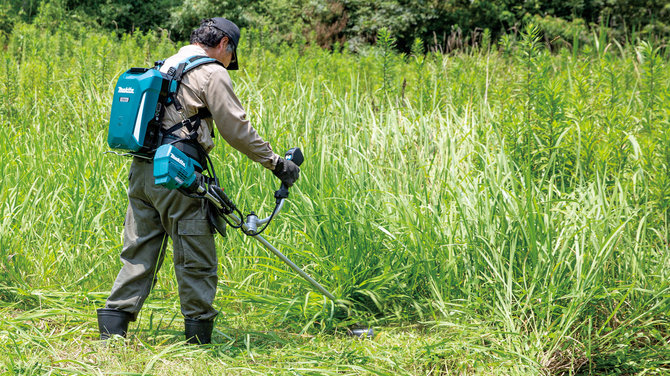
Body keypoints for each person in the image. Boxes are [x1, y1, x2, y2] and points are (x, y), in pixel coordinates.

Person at [96, 17, 300, 344]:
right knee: (195, 255)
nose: (229, 63)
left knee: (138, 251)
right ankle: (197, 340)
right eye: (232, 57)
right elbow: (237, 131)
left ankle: (112, 333)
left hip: (142, 171)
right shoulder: (212, 72)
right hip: (179, 175)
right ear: (224, 45)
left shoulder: (167, 65)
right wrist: (276, 164)